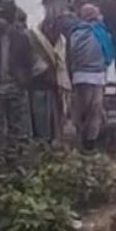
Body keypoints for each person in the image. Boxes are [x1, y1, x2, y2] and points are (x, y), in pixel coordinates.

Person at [0, 14, 33, 150]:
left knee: (16, 126)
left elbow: (28, 62)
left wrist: (25, 82)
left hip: (16, 86)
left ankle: (14, 156)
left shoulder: (21, 37)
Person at [67, 4, 115, 149]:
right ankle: (91, 140)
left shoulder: (75, 33)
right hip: (97, 76)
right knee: (95, 108)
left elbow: (71, 54)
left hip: (80, 76)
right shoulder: (102, 33)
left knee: (82, 108)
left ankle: (82, 137)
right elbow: (109, 53)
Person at [26, 9, 69, 143]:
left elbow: (62, 62)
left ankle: (52, 140)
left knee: (54, 116)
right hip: (39, 82)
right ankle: (42, 142)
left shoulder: (61, 41)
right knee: (40, 117)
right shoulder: (34, 38)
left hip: (53, 83)